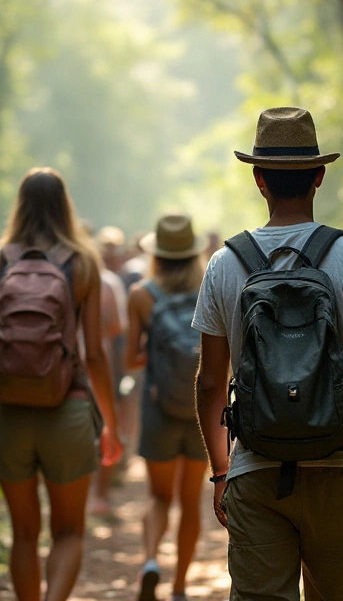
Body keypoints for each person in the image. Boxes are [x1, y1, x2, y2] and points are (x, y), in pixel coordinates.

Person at [193, 107, 343, 600]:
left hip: (256, 468)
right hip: (337, 468)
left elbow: (209, 382)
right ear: (319, 176)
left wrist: (222, 471)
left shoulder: (225, 265)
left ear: (258, 179)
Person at [0, 168, 123, 601]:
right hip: (68, 411)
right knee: (69, 531)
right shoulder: (83, 263)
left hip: (7, 414)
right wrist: (110, 424)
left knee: (23, 535)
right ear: (64, 206)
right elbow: (94, 354)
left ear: (19, 204)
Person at [125, 213, 209, 601]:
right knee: (190, 500)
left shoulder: (142, 295)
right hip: (201, 411)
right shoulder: (211, 288)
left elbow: (131, 361)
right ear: (194, 254)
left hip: (159, 410)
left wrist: (153, 352)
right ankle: (179, 587)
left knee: (159, 496)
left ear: (156, 254)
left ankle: (150, 560)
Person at [91, 225, 130, 517]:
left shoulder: (79, 274)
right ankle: (100, 495)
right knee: (106, 426)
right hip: (102, 366)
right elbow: (118, 328)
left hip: (71, 367)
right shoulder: (110, 283)